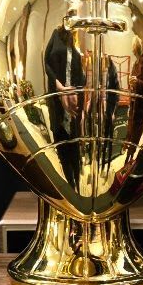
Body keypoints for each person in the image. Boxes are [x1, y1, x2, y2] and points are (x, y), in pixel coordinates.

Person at [44, 23, 86, 189]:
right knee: (62, 146)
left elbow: (81, 77)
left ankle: (78, 186)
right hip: (57, 99)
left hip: (73, 103)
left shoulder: (74, 47)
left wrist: (76, 92)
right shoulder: (56, 35)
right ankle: (70, 186)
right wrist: (59, 87)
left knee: (74, 147)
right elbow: (47, 63)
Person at [127, 35, 143, 149]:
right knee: (131, 126)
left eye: (133, 46)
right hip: (134, 101)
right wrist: (131, 82)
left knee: (136, 128)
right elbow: (133, 81)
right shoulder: (136, 63)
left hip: (140, 104)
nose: (132, 49)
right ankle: (130, 148)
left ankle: (132, 150)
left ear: (136, 47)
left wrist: (136, 82)